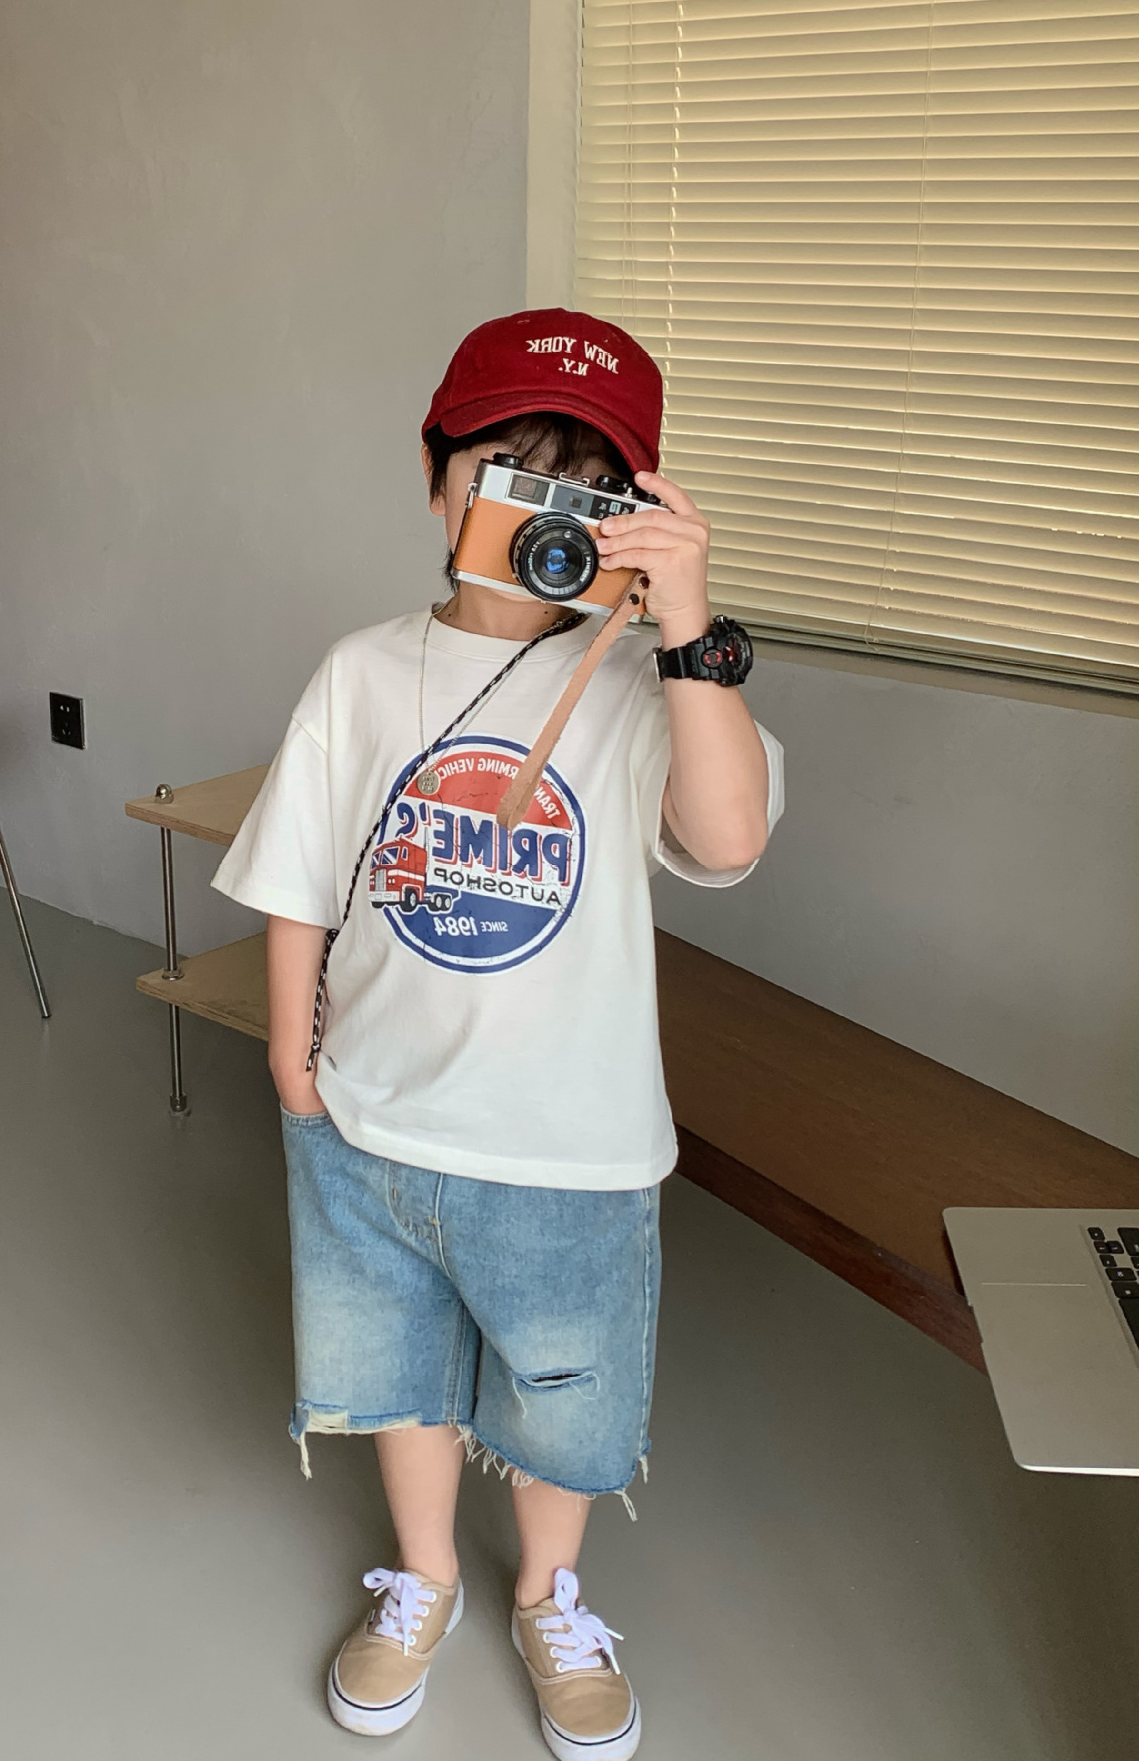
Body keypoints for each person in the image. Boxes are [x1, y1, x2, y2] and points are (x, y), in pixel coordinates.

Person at [213, 308, 782, 1760]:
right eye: (508, 476)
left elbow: (728, 840)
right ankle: (423, 1576)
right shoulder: (363, 671)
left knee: (562, 1399)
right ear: (435, 482)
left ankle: (549, 1595)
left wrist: (689, 625)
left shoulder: (651, 687)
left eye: (588, 493)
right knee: (395, 1369)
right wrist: (289, 1056)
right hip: (372, 1117)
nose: (544, 520)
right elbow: (298, 874)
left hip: (570, 1147)